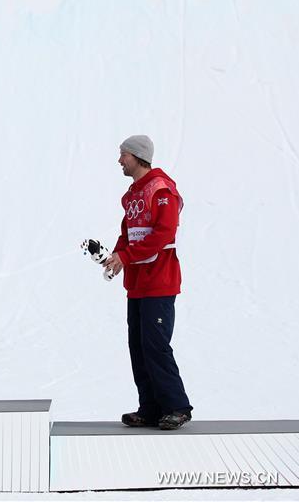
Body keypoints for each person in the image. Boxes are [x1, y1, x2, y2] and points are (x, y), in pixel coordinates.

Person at [103, 135, 193, 430]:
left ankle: (177, 407)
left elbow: (163, 234)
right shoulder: (132, 194)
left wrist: (127, 256)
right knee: (139, 346)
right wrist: (117, 256)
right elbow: (128, 232)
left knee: (156, 345)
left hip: (160, 281)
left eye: (123, 155)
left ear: (138, 156)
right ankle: (151, 408)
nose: (119, 160)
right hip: (138, 283)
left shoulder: (161, 188)